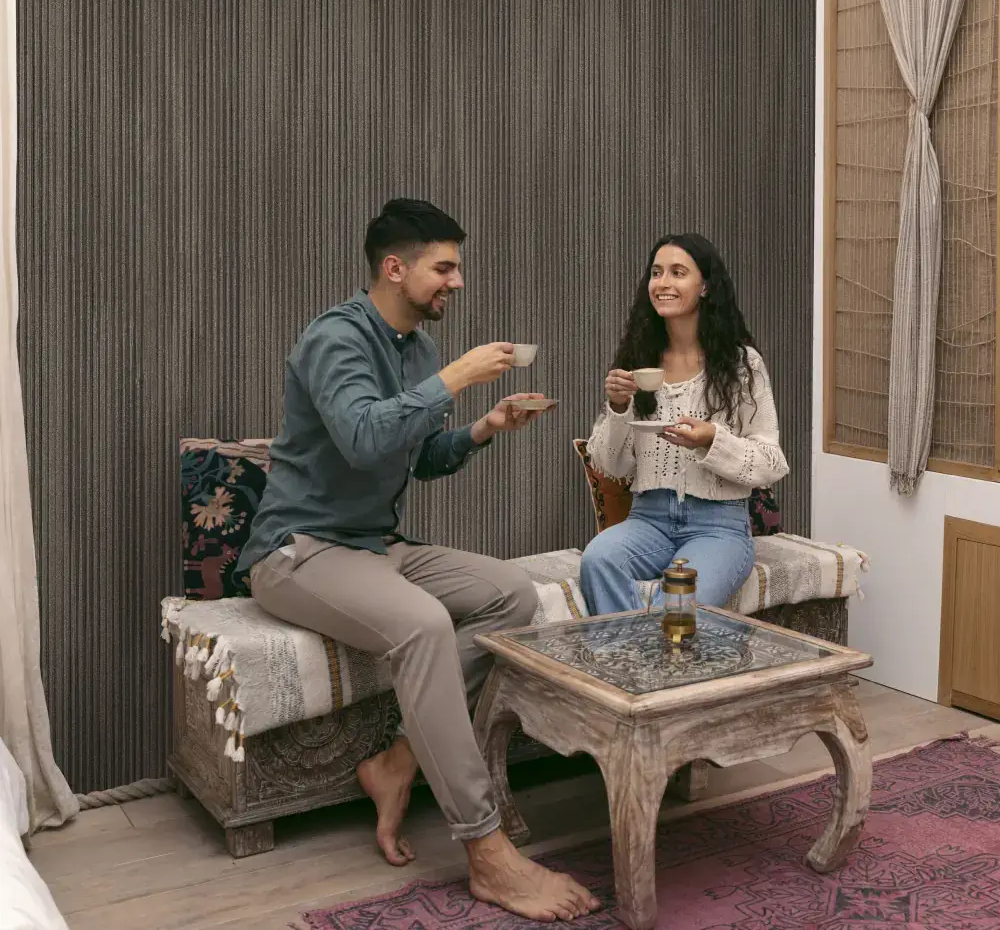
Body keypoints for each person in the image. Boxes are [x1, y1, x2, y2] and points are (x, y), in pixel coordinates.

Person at [236, 198, 600, 922]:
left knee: (513, 595)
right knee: (424, 625)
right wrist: (457, 378)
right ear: (395, 268)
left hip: (376, 545)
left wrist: (485, 426)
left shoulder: (420, 350)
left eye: (457, 268)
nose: (457, 282)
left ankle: (397, 759)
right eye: (445, 267)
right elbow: (364, 439)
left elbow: (419, 456)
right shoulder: (334, 340)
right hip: (298, 551)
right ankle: (486, 848)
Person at [580, 233, 789, 615]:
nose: (663, 283)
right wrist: (618, 407)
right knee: (598, 559)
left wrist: (713, 440)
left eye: (678, 272)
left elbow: (772, 463)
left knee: (678, 600)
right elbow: (611, 466)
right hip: (648, 520)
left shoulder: (742, 365)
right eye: (656, 272)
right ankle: (634, 652)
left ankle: (639, 649)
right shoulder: (637, 361)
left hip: (719, 527)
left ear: (705, 286)